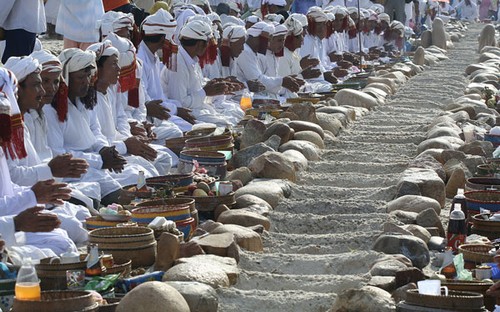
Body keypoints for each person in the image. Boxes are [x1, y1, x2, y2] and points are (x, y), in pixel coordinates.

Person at [0, 67, 77, 257]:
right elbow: (17, 177)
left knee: (62, 238)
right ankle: (11, 261)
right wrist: (17, 221)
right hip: (8, 224)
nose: (45, 91)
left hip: (11, 219)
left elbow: (7, 188)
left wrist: (36, 195)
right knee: (62, 241)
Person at [44, 48, 126, 205]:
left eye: (88, 76)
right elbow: (58, 154)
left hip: (92, 164)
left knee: (135, 174)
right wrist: (98, 159)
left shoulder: (85, 99)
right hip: (72, 171)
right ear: (67, 79)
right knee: (94, 193)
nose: (86, 82)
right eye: (80, 77)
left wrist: (103, 149)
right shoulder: (50, 110)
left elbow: (95, 130)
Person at [87, 39, 175, 175]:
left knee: (164, 157)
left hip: (120, 142)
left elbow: (122, 117)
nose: (119, 69)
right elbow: (98, 143)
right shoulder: (88, 98)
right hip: (109, 155)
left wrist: (131, 136)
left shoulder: (112, 88)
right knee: (145, 172)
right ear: (98, 69)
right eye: (113, 64)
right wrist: (126, 144)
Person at [163, 20, 241, 126]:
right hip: (184, 114)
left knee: (236, 115)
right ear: (200, 44)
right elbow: (180, 102)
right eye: (207, 44)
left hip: (199, 108)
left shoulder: (192, 59)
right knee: (225, 124)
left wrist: (217, 86)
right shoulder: (177, 62)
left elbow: (195, 89)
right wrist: (205, 92)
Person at [137, 9, 195, 139]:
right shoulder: (140, 60)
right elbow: (149, 103)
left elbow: (160, 97)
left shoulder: (154, 57)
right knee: (188, 132)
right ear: (164, 39)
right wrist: (175, 110)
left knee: (196, 126)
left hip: (161, 113)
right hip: (151, 118)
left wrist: (177, 108)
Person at [235, 21, 304, 100]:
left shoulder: (253, 52)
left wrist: (286, 82)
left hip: (262, 95)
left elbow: (270, 85)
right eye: (267, 40)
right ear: (256, 38)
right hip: (243, 97)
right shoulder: (245, 51)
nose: (267, 43)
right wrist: (282, 81)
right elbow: (258, 80)